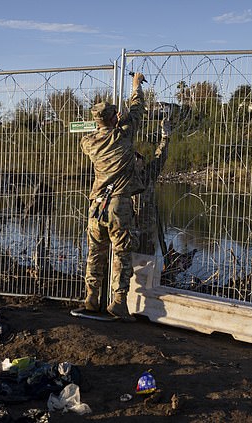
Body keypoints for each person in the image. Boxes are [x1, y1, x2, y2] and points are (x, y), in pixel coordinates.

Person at [80, 72, 146, 321]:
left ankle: (91, 297)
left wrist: (116, 121)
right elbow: (138, 110)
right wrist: (135, 86)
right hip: (118, 203)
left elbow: (105, 132)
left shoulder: (88, 143)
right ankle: (118, 301)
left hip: (96, 204)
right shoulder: (124, 135)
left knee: (95, 251)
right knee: (121, 251)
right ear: (113, 117)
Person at [133, 114, 171, 255]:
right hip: (127, 229)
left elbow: (160, 156)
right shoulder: (123, 176)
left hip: (146, 228)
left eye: (139, 158)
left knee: (146, 259)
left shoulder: (148, 174)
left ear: (143, 163)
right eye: (134, 158)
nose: (136, 160)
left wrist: (165, 137)